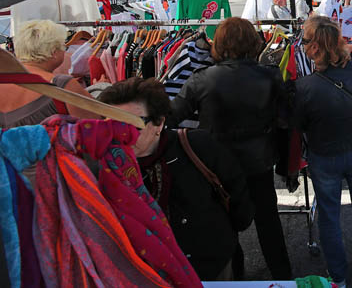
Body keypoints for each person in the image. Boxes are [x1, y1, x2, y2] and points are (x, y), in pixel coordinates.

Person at [170, 17, 292, 279]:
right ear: (252, 41)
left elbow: (170, 115)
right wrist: (286, 164)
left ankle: (235, 278)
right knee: (268, 222)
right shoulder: (269, 75)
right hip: (258, 162)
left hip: (217, 167)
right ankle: (283, 276)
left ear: (220, 43)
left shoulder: (201, 79)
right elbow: (285, 122)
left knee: (225, 225)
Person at [98, 77, 254, 280]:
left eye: (134, 125)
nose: (121, 135)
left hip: (209, 269)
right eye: (112, 126)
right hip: (142, 276)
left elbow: (238, 197)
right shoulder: (101, 167)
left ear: (159, 122)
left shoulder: (197, 147)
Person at [295, 16, 352, 287]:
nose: (302, 46)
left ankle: (338, 278)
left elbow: (300, 124)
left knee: (329, 215)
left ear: (316, 48)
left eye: (305, 41)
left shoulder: (307, 86)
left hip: (326, 154)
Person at [0, 19, 95, 129]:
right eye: (63, 47)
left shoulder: (3, 81)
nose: (64, 51)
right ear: (54, 52)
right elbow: (93, 131)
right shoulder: (62, 85)